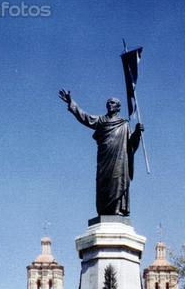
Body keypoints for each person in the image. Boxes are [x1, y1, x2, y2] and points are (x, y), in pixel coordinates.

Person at [58, 89, 143, 217]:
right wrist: (71, 103)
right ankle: (104, 211)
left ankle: (117, 210)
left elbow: (130, 145)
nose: (109, 104)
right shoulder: (101, 121)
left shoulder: (124, 124)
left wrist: (137, 133)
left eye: (113, 103)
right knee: (103, 184)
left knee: (117, 182)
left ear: (118, 107)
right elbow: (85, 117)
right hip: (104, 160)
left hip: (119, 159)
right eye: (108, 103)